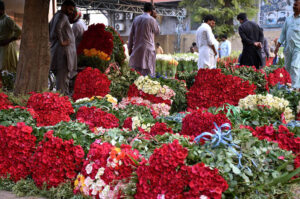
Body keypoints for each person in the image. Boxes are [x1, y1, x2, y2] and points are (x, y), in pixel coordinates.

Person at [49, 0, 77, 96]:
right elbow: (57, 28)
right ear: (64, 6)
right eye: (69, 9)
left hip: (58, 52)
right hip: (63, 54)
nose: (70, 12)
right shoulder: (62, 16)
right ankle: (62, 101)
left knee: (61, 80)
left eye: (72, 10)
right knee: (62, 81)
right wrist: (62, 41)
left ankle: (61, 100)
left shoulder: (56, 15)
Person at [128, 3, 160, 76]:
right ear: (151, 11)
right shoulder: (152, 20)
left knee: (137, 73)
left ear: (144, 9)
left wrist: (129, 47)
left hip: (136, 50)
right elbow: (157, 31)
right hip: (148, 51)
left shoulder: (136, 19)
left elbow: (131, 34)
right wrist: (155, 18)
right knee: (148, 74)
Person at [275, 0, 300, 89]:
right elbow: (283, 33)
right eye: (294, 5)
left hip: (298, 48)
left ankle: (296, 88)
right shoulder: (289, 19)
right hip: (288, 48)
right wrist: (277, 46)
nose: (294, 6)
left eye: (296, 5)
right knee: (288, 67)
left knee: (294, 66)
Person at [0, 0, 21, 73]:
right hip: (1, 48)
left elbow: (19, 31)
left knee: (5, 70)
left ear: (1, 10)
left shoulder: (7, 19)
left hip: (6, 48)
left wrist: (9, 40)